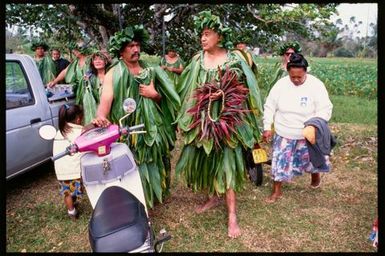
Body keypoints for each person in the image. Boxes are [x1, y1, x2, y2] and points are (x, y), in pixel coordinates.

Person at [175, 10, 263, 238]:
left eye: (207, 34)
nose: (203, 39)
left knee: (227, 163)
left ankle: (232, 215)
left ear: (219, 37)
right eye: (201, 35)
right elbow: (188, 91)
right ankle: (214, 197)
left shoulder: (234, 59)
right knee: (208, 159)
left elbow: (246, 89)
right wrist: (188, 117)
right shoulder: (197, 60)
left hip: (229, 123)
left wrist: (223, 92)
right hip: (203, 121)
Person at [92, 25, 181, 208]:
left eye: (138, 45)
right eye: (131, 46)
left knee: (155, 160)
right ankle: (135, 199)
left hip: (152, 128)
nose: (136, 50)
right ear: (121, 51)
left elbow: (169, 100)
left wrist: (154, 94)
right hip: (128, 130)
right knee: (131, 163)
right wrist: (101, 116)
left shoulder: (152, 70)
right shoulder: (113, 74)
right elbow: (105, 102)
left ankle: (155, 193)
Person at [262, 53, 333, 203]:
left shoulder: (316, 85)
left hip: (308, 131)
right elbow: (269, 106)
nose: (295, 80)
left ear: (305, 71)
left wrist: (315, 124)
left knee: (312, 160)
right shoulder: (281, 85)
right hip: (284, 130)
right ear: (288, 72)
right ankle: (277, 191)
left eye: (299, 77)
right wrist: (267, 126)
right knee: (279, 161)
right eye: (292, 76)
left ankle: (315, 177)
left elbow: (325, 108)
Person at [53, 104, 84, 220]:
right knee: (75, 188)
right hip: (74, 169)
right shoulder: (80, 131)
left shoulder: (59, 132)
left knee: (67, 193)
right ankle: (74, 203)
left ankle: (71, 212)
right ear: (78, 119)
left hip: (61, 171)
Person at [47, 41, 92, 106]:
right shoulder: (76, 62)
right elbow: (65, 71)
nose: (73, 52)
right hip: (81, 92)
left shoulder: (90, 60)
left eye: (75, 50)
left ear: (81, 50)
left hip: (91, 90)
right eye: (73, 51)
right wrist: (55, 81)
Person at [82, 50, 111, 124]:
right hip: (97, 113)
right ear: (92, 62)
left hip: (111, 110)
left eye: (100, 59)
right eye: (95, 59)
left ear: (106, 61)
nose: (97, 61)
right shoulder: (91, 78)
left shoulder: (111, 75)